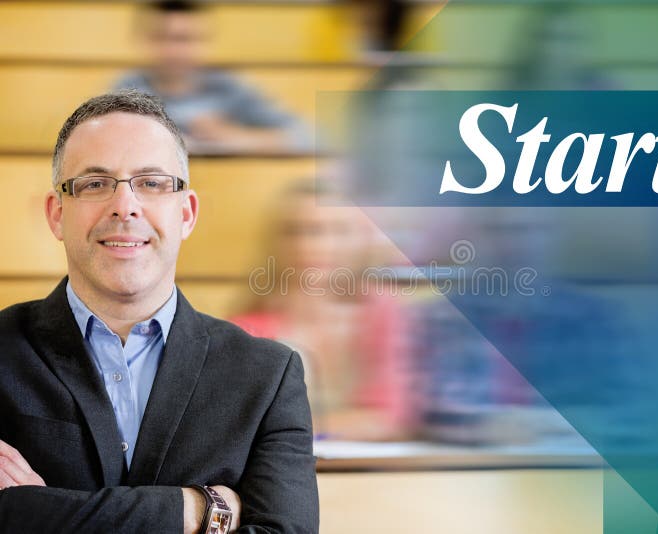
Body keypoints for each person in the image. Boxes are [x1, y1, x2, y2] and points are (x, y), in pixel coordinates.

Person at [0, 90, 318, 533]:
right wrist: (197, 511)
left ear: (186, 213)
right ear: (57, 214)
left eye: (151, 183)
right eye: (95, 183)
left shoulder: (267, 376)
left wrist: (40, 513)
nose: (125, 205)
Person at [230, 181, 415, 442]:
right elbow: (241, 427)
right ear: (276, 242)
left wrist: (296, 429)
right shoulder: (245, 331)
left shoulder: (384, 313)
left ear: (360, 241)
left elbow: (392, 419)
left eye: (336, 231)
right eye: (297, 231)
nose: (313, 245)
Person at [114, 0, 312, 155]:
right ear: (143, 40)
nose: (173, 50)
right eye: (161, 37)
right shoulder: (127, 88)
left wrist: (233, 137)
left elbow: (304, 138)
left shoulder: (231, 88)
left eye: (185, 39)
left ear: (205, 41)